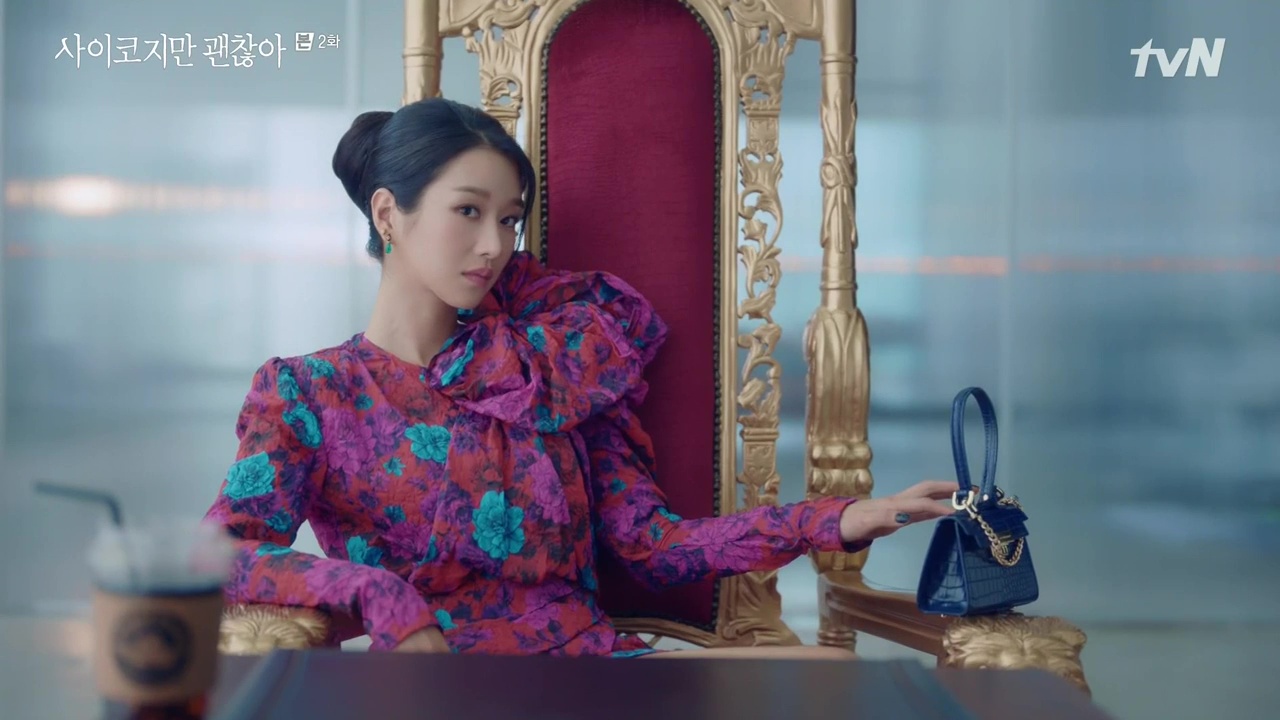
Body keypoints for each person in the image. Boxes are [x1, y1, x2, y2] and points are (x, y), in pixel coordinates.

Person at [203, 98, 955, 659]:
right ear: (388, 214)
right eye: (468, 211)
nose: (493, 244)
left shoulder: (545, 370)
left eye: (510, 220)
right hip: (433, 687)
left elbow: (655, 547)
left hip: (591, 675)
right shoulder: (309, 392)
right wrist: (378, 594)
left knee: (834, 684)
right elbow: (223, 552)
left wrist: (843, 517)